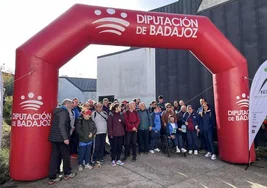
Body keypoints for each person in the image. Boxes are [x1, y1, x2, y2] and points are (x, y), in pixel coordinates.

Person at [48, 99, 76, 185]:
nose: (72, 106)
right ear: (67, 104)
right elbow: (62, 125)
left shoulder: (58, 111)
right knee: (66, 156)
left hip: (54, 138)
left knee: (54, 157)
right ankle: (67, 173)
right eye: (71, 104)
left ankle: (52, 177)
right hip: (61, 139)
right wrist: (65, 138)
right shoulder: (64, 112)